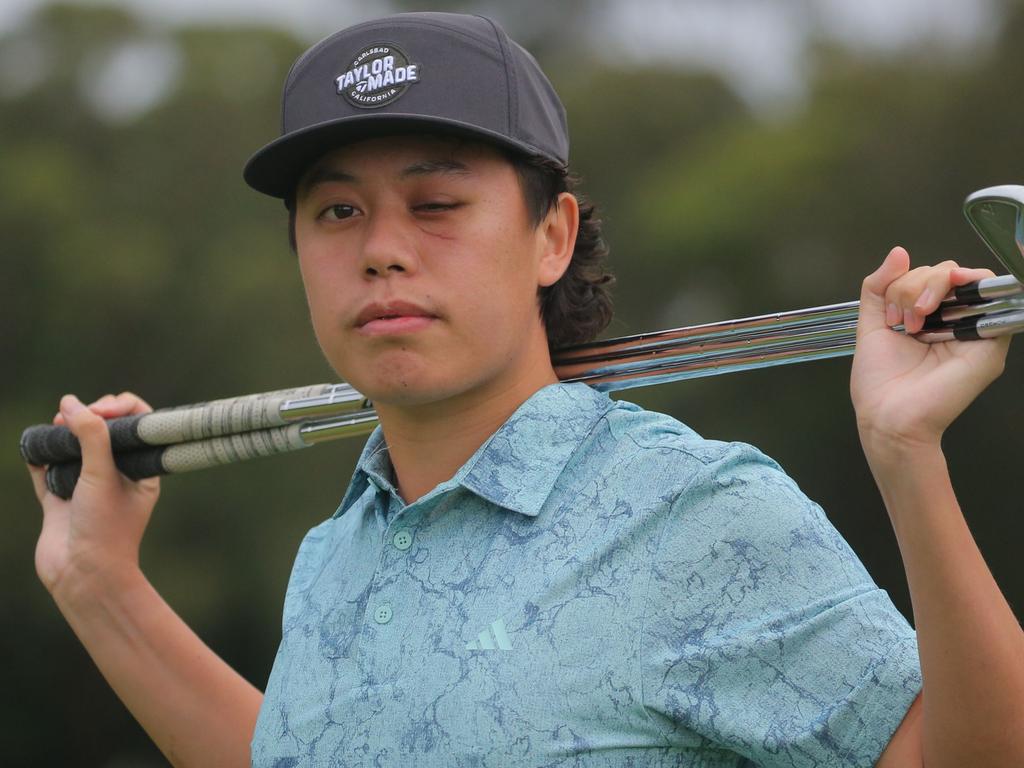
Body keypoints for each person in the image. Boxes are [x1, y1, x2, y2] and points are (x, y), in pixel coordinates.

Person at [27, 11, 1024, 768]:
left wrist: (905, 458)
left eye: (437, 204)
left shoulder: (696, 514)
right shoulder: (334, 557)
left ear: (550, 236)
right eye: (336, 211)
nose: (380, 250)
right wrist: (100, 585)